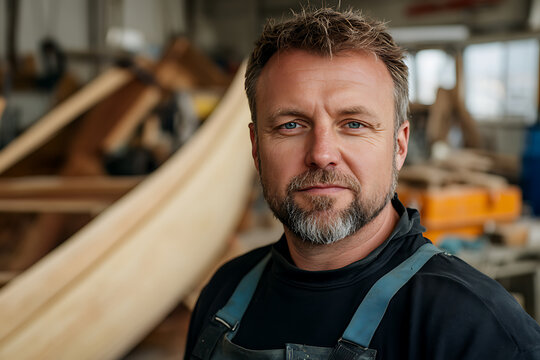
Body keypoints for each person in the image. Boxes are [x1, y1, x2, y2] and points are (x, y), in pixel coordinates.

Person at [185, 7, 540, 360]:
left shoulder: (479, 330)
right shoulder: (223, 293)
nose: (321, 154)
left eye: (354, 124)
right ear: (256, 148)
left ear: (399, 146)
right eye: (291, 125)